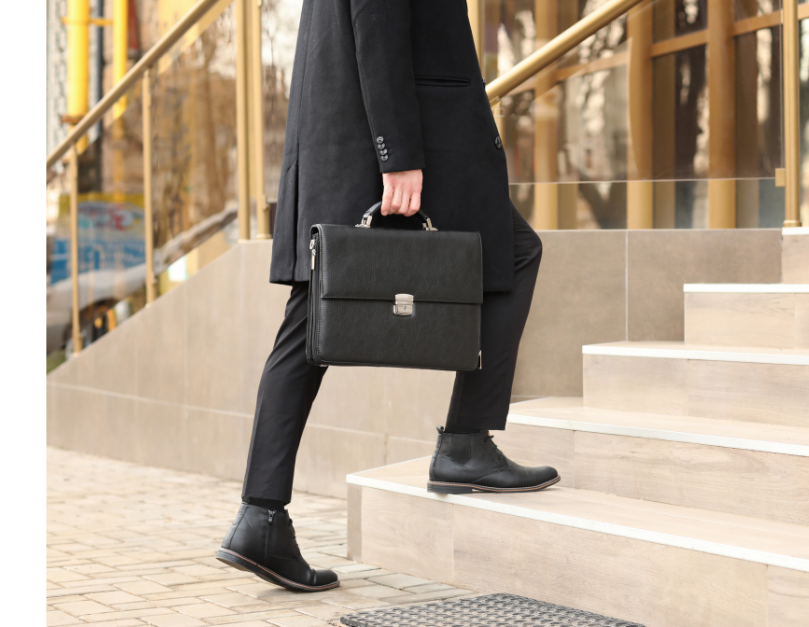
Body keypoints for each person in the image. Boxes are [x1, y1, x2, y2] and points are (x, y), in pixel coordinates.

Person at [215, 0, 559, 592]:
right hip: (394, 142)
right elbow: (377, 24)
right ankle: (464, 444)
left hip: (347, 136)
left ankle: (262, 514)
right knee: (513, 252)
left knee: (308, 323)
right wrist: (396, 155)